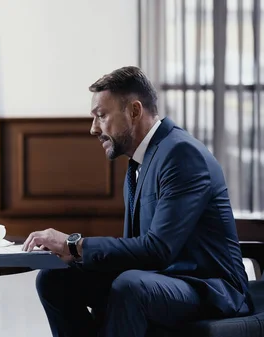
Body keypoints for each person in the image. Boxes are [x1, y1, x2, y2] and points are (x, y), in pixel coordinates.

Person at [22, 66, 252, 337]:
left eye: (101, 116)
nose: (93, 129)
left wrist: (75, 245)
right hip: (163, 279)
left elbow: (158, 249)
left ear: (134, 110)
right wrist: (76, 257)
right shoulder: (137, 165)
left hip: (208, 287)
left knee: (130, 286)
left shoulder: (181, 154)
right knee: (54, 280)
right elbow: (137, 251)